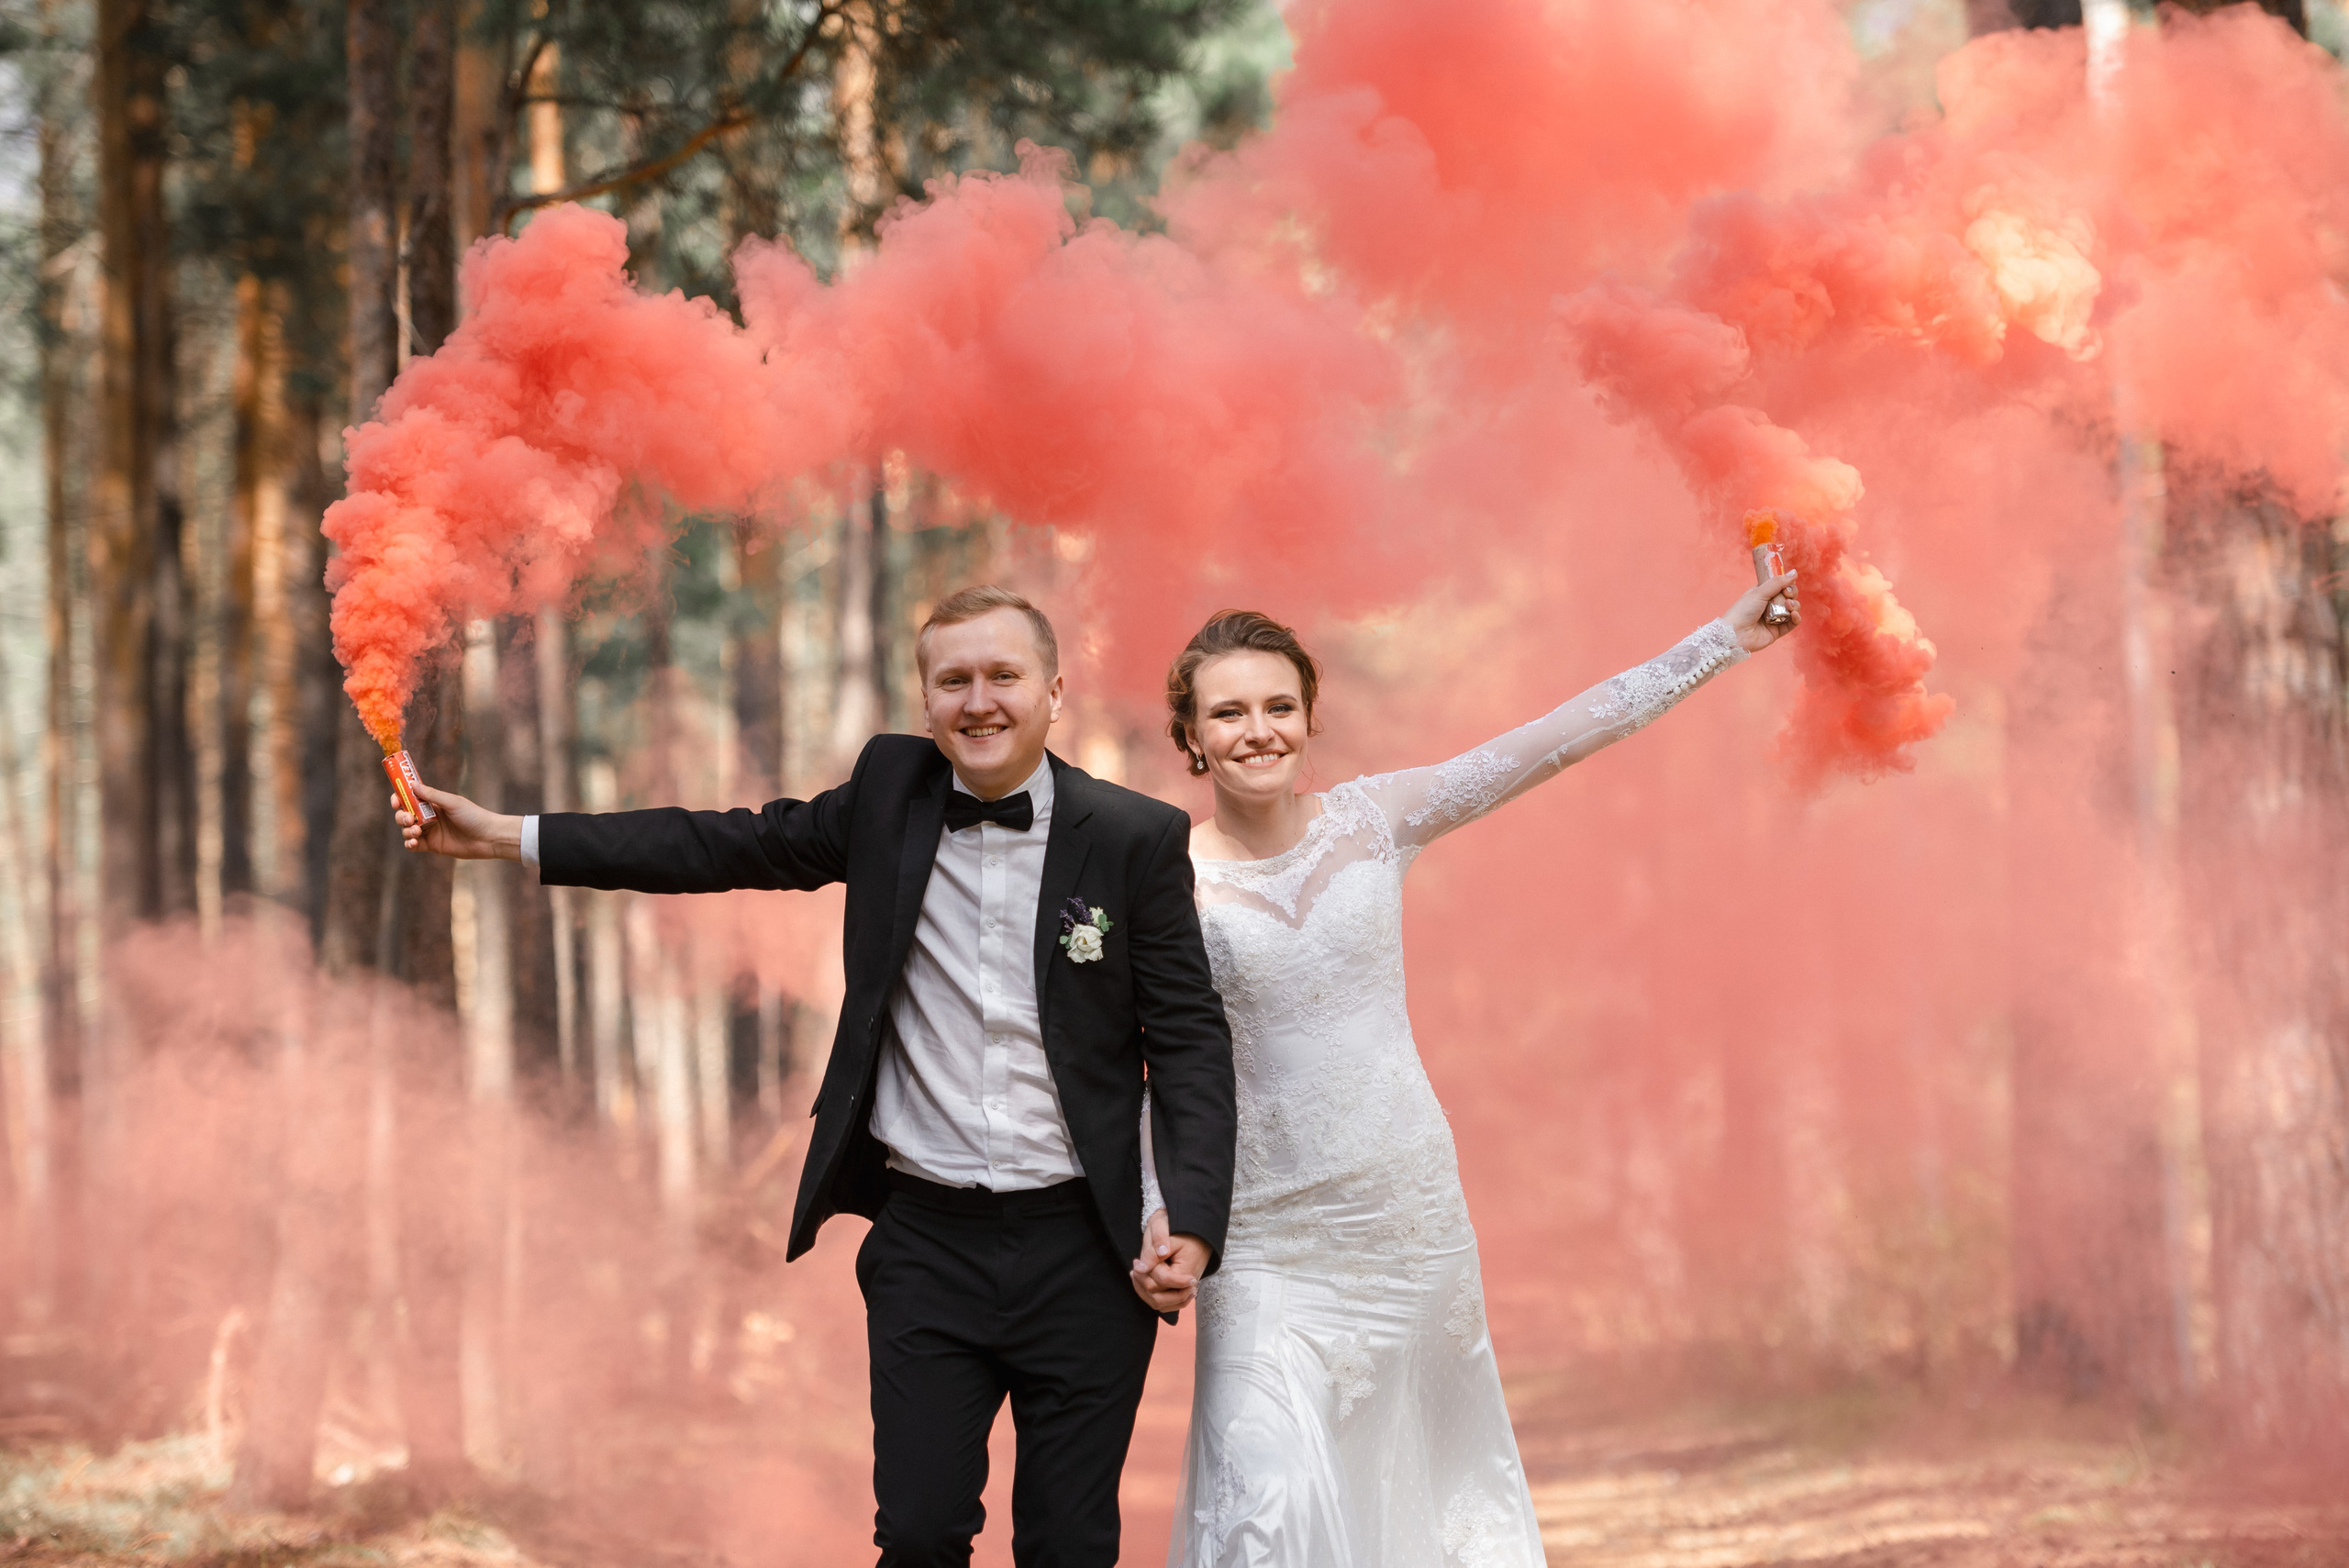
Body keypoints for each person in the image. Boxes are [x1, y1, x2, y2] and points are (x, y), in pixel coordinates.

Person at [395, 584, 1237, 1568]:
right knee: (918, 1535)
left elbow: (1190, 1040)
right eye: (953, 680)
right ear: (925, 701)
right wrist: (505, 834)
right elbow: (723, 842)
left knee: (1069, 1544)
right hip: (928, 1244)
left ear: (1053, 691)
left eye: (1003, 676)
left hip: (1083, 1246)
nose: (978, 701)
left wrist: (1188, 1220)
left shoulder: (1135, 835)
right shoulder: (890, 792)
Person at [1141, 569, 1800, 1564]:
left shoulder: (1376, 819)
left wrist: (1722, 640)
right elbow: (1149, 1069)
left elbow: (1557, 737)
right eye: (1228, 712)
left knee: (1427, 1500)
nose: (1257, 730)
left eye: (1279, 705)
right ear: (1191, 736)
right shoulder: (1166, 878)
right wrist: (1160, 1211)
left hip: (1406, 1219)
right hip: (1265, 1238)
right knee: (1261, 1505)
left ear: (1310, 718)